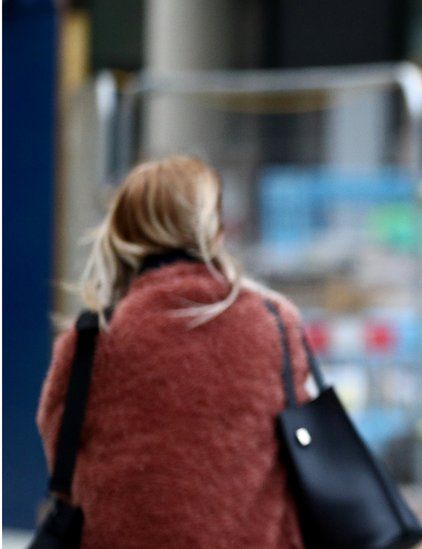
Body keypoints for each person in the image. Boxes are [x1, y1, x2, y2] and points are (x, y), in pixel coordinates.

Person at [37, 156, 311, 547]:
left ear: (123, 229)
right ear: (213, 229)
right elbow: (300, 439)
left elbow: (59, 446)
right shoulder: (275, 323)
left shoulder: (95, 339)